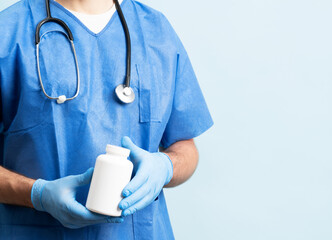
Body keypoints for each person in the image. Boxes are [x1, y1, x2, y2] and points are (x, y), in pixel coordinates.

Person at [0, 0, 213, 239]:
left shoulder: (156, 30)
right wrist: (37, 194)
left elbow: (185, 146)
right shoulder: (8, 31)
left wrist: (165, 167)